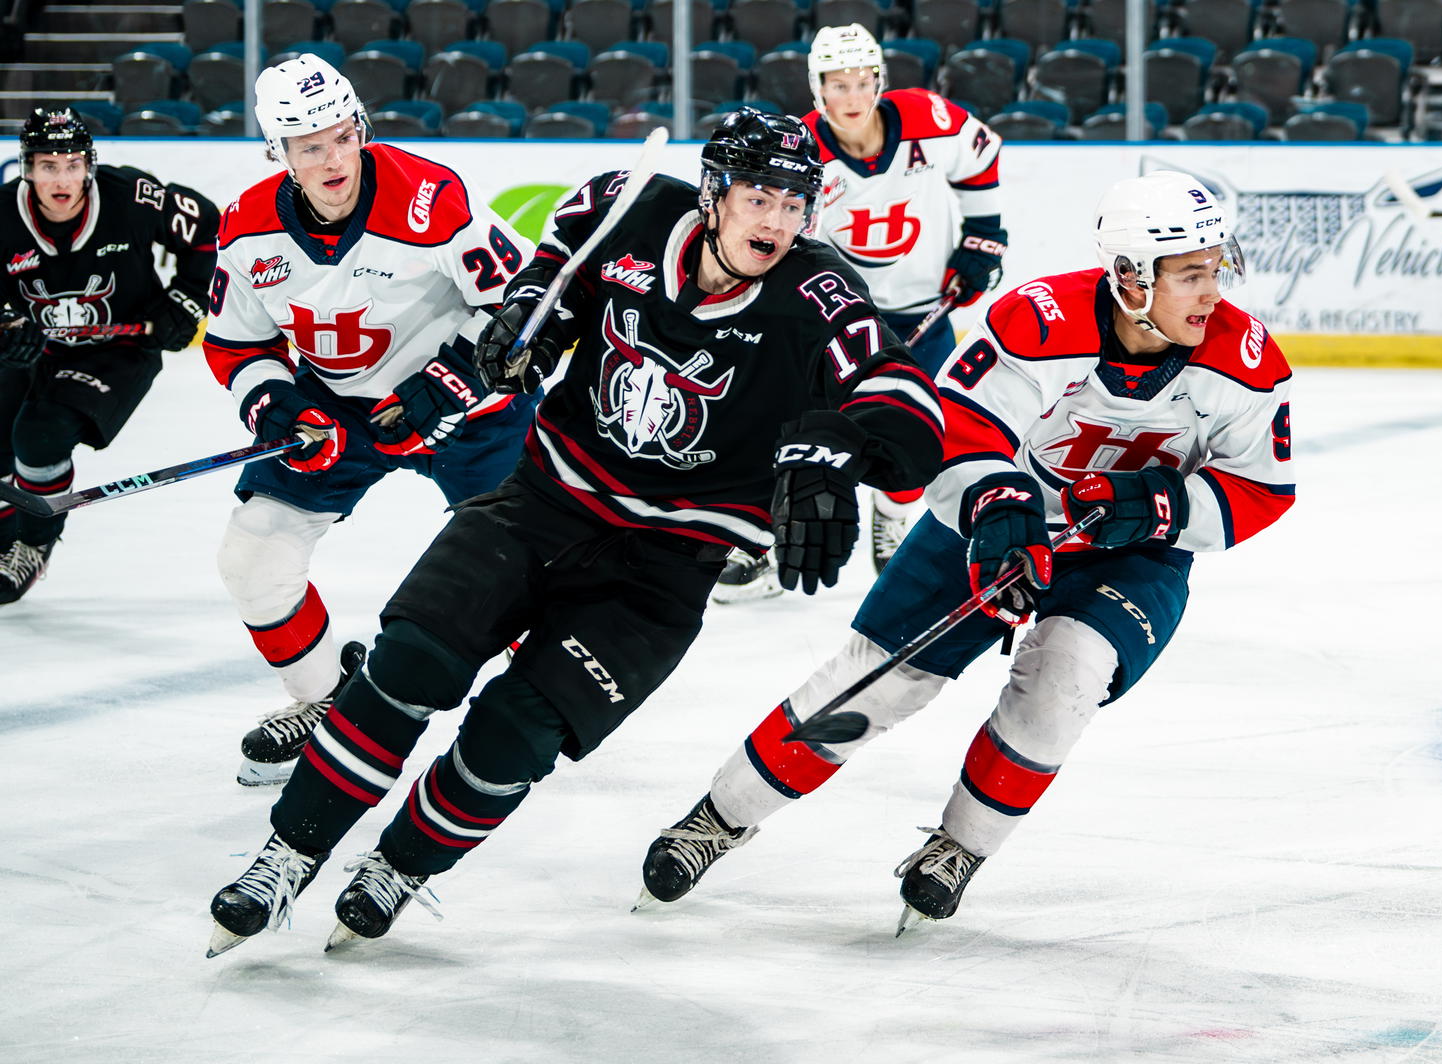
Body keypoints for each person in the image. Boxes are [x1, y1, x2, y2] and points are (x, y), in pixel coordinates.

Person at [203, 108, 945, 956]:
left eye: (793, 203)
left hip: (663, 567)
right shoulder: (627, 209)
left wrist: (833, 446)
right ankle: (285, 854)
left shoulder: (819, 293)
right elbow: (551, 272)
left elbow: (909, 410)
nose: (776, 221)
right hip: (540, 501)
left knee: (515, 735)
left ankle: (400, 867)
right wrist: (531, 323)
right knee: (404, 669)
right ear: (713, 193)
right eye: (758, 197)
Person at [639, 170, 1296, 933]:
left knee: (1065, 679)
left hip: (1129, 553)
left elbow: (1261, 486)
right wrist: (997, 505)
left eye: (1216, 268)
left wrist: (1160, 505)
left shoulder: (1246, 359)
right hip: (993, 520)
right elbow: (955, 426)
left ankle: (960, 847)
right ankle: (720, 818)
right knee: (878, 684)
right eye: (1190, 274)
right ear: (1129, 276)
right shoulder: (1035, 320)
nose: (1212, 292)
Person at [204, 54, 537, 787]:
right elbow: (236, 343)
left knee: (531, 579)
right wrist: (277, 405)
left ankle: (527, 718)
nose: (333, 157)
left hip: (471, 415)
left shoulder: (432, 197)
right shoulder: (247, 227)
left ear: (360, 125)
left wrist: (447, 383)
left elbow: (523, 312)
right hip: (336, 416)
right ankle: (326, 698)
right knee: (253, 560)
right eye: (309, 145)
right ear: (278, 153)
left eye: (341, 133)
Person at [714, 22, 1004, 601]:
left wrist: (983, 234)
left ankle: (894, 515)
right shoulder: (801, 150)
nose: (850, 97)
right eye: (836, 84)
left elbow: (982, 154)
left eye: (861, 81)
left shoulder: (927, 117)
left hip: (925, 310)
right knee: (793, 427)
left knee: (919, 433)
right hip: (839, 320)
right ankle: (769, 533)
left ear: (880, 81)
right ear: (817, 88)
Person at [0, 107, 217, 604]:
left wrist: (185, 299)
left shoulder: (131, 199)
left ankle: (35, 544)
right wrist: (7, 323)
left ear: (90, 165)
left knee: (39, 436)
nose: (62, 178)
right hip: (37, 346)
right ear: (28, 167)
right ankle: (9, 536)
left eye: (72, 164)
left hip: (120, 349)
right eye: (48, 165)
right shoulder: (3, 214)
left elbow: (208, 228)